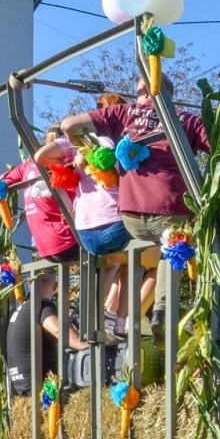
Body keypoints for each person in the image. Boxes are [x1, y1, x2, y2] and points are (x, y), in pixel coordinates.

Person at [59, 75, 210, 324]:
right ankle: (164, 308)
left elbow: (68, 126)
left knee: (140, 252)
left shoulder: (123, 113)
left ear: (140, 93)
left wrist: (91, 151)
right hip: (169, 213)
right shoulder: (187, 120)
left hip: (130, 218)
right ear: (169, 95)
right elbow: (219, 146)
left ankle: (100, 315)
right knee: (180, 243)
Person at [32, 128, 131, 335]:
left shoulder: (70, 146)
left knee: (111, 259)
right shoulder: (113, 139)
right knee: (140, 257)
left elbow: (40, 156)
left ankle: (92, 314)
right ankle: (121, 318)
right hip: (106, 226)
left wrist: (63, 168)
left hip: (83, 232)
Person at [6, 273, 89, 396]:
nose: (40, 286)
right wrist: (85, 345)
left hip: (24, 389)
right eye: (38, 281)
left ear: (55, 286)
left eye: (44, 282)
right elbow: (59, 330)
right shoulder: (41, 304)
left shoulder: (23, 308)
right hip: (42, 390)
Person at [1, 155, 79, 264]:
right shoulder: (65, 159)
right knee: (109, 258)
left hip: (43, 247)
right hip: (66, 241)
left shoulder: (27, 166)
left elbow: (4, 181)